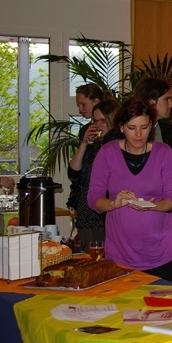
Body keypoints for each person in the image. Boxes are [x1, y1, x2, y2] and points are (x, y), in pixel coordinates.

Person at [87, 98, 172, 281]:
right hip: (119, 254)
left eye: (144, 127)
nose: (138, 134)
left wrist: (153, 206)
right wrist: (114, 204)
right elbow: (93, 198)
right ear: (121, 127)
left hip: (161, 253)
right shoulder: (107, 153)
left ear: (151, 126)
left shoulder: (164, 153)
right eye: (132, 128)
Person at [67, 99, 120, 249]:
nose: (98, 125)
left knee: (109, 255)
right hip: (86, 210)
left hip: (107, 210)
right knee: (88, 253)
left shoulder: (119, 146)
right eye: (95, 121)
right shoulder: (93, 145)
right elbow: (73, 172)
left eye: (103, 121)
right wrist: (83, 144)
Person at [133, 78, 172, 209]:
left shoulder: (171, 133)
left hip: (161, 208)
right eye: (166, 99)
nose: (171, 104)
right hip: (127, 205)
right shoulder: (118, 134)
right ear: (151, 102)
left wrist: (170, 204)